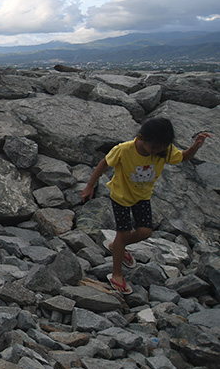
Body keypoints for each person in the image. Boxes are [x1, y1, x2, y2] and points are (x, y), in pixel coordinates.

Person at [80, 118, 211, 295]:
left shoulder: (164, 150)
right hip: (121, 196)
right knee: (123, 233)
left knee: (145, 232)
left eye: (162, 148)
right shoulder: (124, 149)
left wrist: (196, 146)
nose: (157, 152)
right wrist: (90, 186)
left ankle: (117, 245)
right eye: (154, 147)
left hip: (142, 197)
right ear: (141, 137)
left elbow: (184, 157)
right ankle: (117, 274)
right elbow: (104, 163)